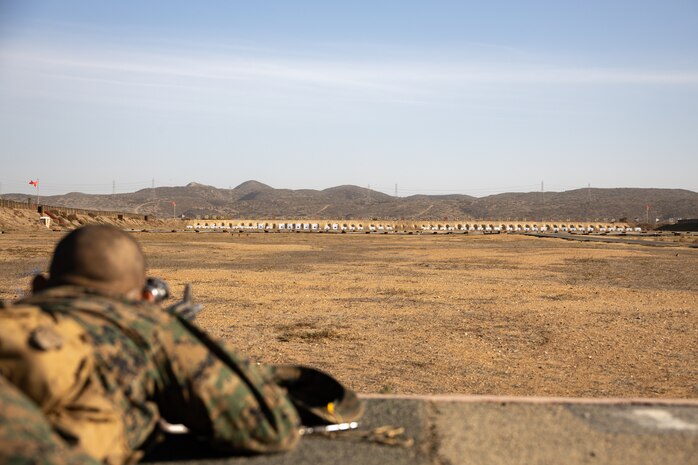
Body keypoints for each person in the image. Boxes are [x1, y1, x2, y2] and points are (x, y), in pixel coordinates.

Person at [0, 225, 307, 464]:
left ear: (38, 286)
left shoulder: (15, 316)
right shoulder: (147, 327)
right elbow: (269, 427)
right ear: (144, 296)